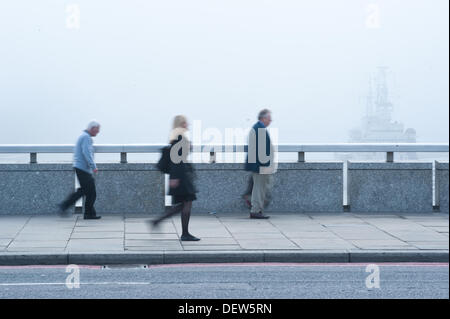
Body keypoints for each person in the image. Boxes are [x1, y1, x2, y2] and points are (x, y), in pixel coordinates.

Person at [150, 115, 200, 241]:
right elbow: (176, 159)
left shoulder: (177, 137)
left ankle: (158, 221)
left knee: (183, 205)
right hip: (180, 176)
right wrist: (175, 178)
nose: (187, 125)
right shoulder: (179, 137)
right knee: (186, 204)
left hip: (180, 175)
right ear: (181, 124)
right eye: (185, 123)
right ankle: (185, 233)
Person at [58, 121, 101, 220]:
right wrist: (93, 166)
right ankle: (87, 213)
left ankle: (66, 206)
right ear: (92, 128)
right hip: (82, 168)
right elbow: (86, 152)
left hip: (81, 167)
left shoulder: (84, 136)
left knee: (84, 191)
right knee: (90, 192)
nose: (98, 132)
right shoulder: (86, 137)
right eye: (97, 129)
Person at [245, 109, 277, 219]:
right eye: (269, 118)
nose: (270, 121)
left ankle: (256, 209)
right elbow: (262, 151)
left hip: (259, 165)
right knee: (260, 188)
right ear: (263, 118)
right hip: (261, 165)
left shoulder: (258, 128)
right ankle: (256, 210)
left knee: (259, 188)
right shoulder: (260, 129)